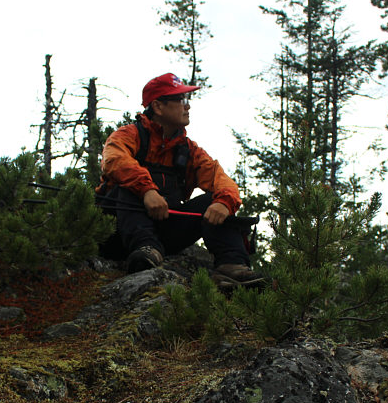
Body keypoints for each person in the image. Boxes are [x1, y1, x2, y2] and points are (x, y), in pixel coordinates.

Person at [97, 73, 263, 288]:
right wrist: (147, 191)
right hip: (117, 233)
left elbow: (220, 179)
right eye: (181, 100)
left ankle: (232, 265)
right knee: (126, 187)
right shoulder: (128, 135)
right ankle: (145, 250)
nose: (188, 106)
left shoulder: (188, 149)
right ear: (158, 106)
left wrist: (224, 202)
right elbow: (114, 160)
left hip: (164, 233)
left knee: (214, 200)